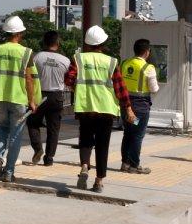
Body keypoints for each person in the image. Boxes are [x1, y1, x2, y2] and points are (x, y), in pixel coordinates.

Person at [68, 24, 134, 193]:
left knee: (85, 139)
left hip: (86, 106)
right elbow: (120, 87)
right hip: (106, 109)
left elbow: (69, 79)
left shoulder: (79, 59)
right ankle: (98, 182)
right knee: (102, 145)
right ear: (103, 43)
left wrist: (78, 89)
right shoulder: (111, 62)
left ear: (87, 44)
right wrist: (127, 108)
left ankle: (84, 166)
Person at [0, 15, 37, 182]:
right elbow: (29, 79)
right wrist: (32, 100)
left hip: (0, 98)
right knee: (15, 136)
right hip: (18, 100)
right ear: (20, 33)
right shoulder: (26, 52)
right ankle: (9, 172)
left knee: (2, 128)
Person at [25, 30, 70, 166]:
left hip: (39, 95)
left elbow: (29, 78)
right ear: (58, 43)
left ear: (44, 42)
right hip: (57, 97)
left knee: (32, 122)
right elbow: (69, 79)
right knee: (53, 128)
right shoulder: (65, 61)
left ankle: (38, 148)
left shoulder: (36, 58)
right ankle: (49, 158)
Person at [119, 38, 159, 174]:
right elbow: (154, 89)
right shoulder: (148, 68)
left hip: (125, 107)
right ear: (147, 52)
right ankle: (134, 165)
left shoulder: (124, 63)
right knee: (137, 135)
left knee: (128, 133)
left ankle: (125, 163)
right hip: (140, 108)